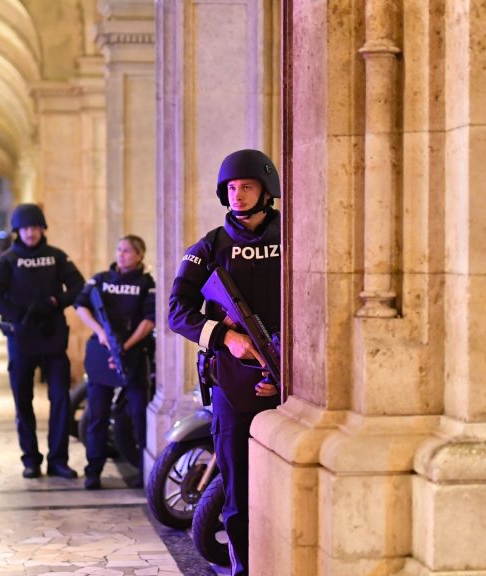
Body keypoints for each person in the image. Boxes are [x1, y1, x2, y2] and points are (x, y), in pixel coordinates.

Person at [168, 149, 282, 576]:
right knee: (238, 491)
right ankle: (243, 569)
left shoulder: (293, 235)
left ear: (265, 191)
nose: (238, 195)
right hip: (233, 385)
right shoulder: (210, 247)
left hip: (291, 377)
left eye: (247, 187)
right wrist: (226, 336)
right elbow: (177, 311)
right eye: (231, 188)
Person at [0, 203, 85, 479]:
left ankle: (58, 460)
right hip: (21, 339)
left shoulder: (56, 257)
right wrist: (18, 315)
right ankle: (30, 459)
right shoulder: (6, 260)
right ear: (17, 231)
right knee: (23, 400)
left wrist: (55, 301)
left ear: (42, 229)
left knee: (61, 400)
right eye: (26, 228)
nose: (31, 233)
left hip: (53, 338)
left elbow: (78, 286)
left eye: (36, 227)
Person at [74, 235, 156, 490]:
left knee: (139, 415)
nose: (122, 255)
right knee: (97, 414)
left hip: (133, 355)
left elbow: (149, 320)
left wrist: (127, 345)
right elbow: (80, 305)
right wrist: (100, 332)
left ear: (140, 255)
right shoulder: (101, 280)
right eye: (119, 249)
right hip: (101, 352)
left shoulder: (146, 283)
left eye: (128, 251)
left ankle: (145, 472)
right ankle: (93, 471)